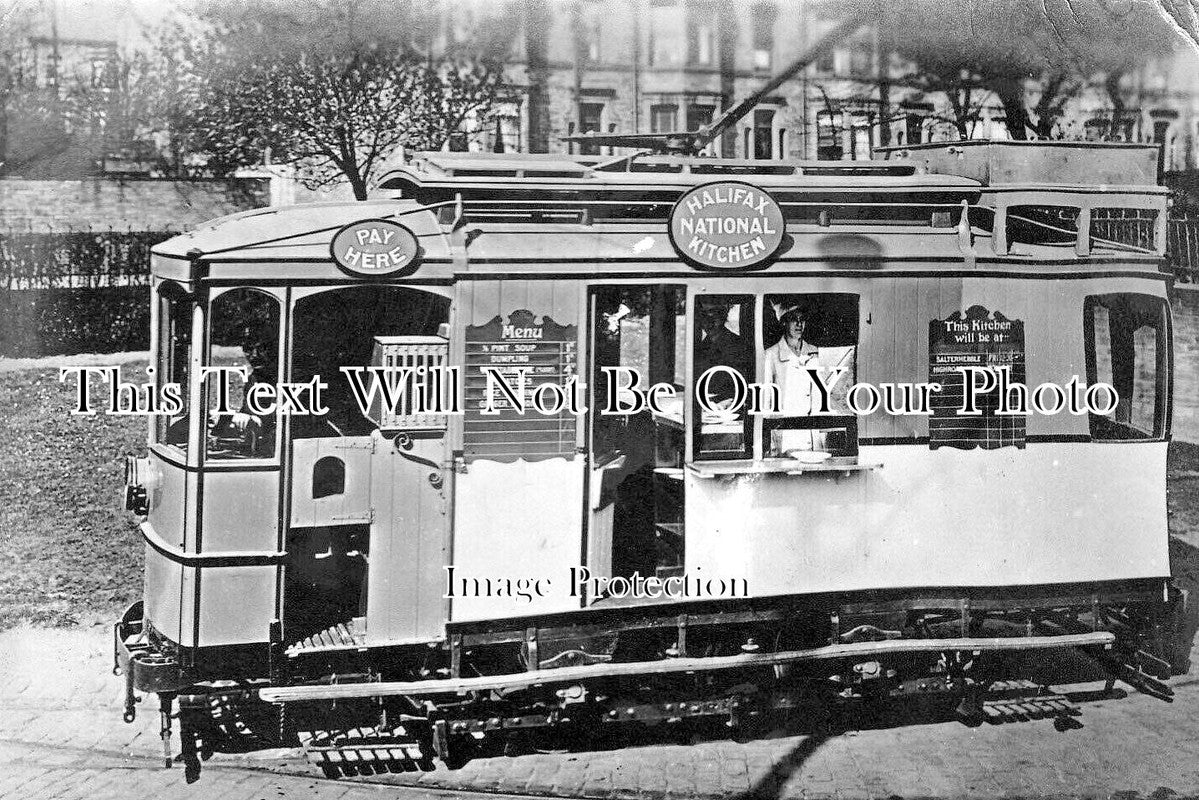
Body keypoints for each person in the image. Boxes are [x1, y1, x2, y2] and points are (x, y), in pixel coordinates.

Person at [764, 304, 853, 454]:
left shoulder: (815, 352)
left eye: (802, 319)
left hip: (812, 434)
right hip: (787, 435)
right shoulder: (771, 355)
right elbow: (766, 402)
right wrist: (771, 440)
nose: (799, 324)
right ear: (784, 322)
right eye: (794, 319)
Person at [694, 301, 752, 408]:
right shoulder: (702, 346)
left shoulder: (738, 346)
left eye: (714, 315)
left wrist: (727, 403)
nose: (709, 322)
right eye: (704, 316)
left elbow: (744, 387)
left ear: (723, 316)